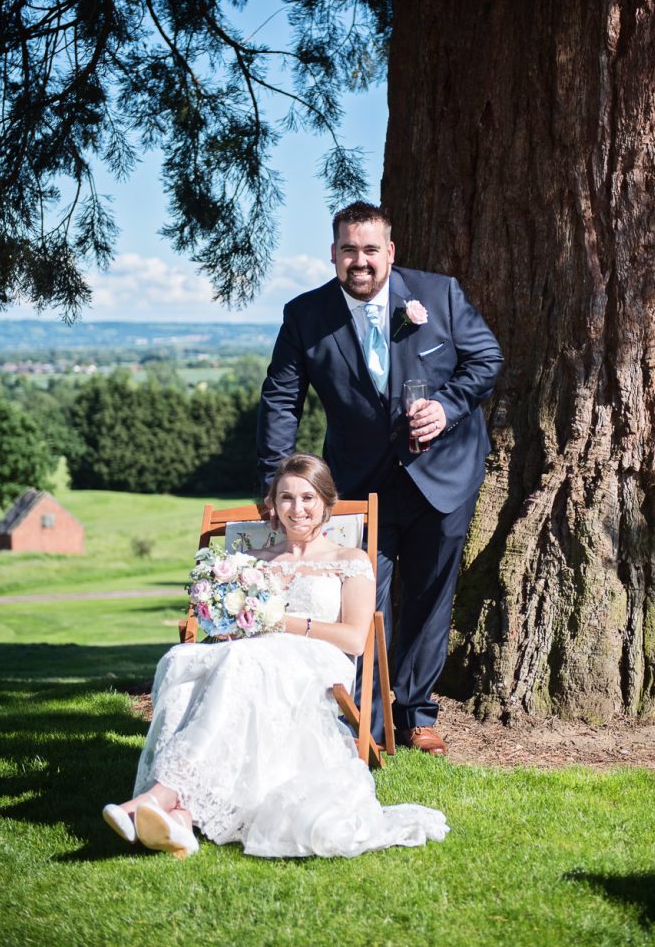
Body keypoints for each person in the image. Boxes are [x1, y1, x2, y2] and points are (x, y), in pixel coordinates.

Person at [102, 453, 448, 859]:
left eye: (307, 498)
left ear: (325, 502)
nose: (296, 509)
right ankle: (180, 817)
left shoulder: (348, 561)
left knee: (241, 662)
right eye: (286, 498)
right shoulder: (255, 564)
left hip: (318, 660)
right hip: (255, 654)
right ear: (273, 504)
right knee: (181, 659)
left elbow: (355, 640)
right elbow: (229, 627)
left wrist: (283, 622)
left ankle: (162, 796)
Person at [257, 202, 503, 756]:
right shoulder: (305, 315)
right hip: (357, 483)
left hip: (443, 474)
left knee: (430, 598)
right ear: (333, 254)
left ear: (390, 252)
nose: (360, 261)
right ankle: (365, 722)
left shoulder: (438, 294)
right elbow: (280, 399)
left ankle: (416, 713)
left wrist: (447, 406)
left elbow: (485, 359)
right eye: (349, 250)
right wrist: (277, 482)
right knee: (362, 602)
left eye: (371, 250)